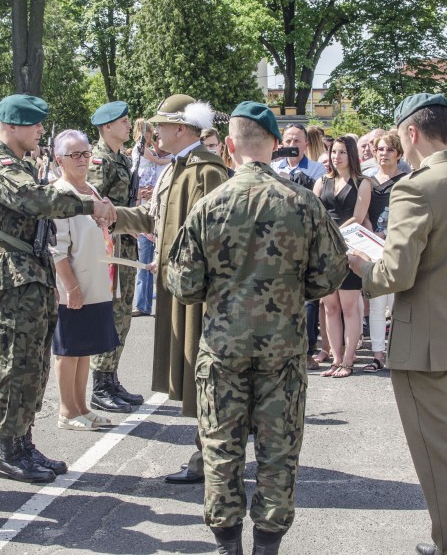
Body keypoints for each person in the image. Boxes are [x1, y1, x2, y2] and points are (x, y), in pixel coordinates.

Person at [167, 101, 348, 555]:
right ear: (273, 146)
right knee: (278, 452)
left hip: (223, 349)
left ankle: (227, 544)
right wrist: (289, 294)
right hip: (282, 349)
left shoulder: (210, 205)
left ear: (230, 147)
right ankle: (268, 545)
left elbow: (185, 286)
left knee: (221, 450)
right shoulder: (303, 203)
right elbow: (330, 274)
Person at [349, 93, 447, 555]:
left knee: (440, 453)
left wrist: (363, 268)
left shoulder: (415, 187)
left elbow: (396, 272)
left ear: (411, 133)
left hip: (425, 339)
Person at [0, 94, 115, 484]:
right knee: (17, 367)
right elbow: (34, 199)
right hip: (16, 277)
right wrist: (87, 204)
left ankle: (24, 442)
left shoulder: (19, 163)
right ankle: (9, 452)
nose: (39, 131)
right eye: (34, 124)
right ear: (12, 126)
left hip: (32, 276)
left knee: (33, 367)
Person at [112, 93, 228, 484]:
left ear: (181, 128)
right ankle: (209, 454)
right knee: (191, 370)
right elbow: (154, 219)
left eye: (161, 124)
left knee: (202, 374)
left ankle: (208, 457)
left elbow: (213, 240)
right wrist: (112, 215)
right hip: (177, 286)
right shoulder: (177, 167)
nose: (155, 131)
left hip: (196, 293)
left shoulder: (206, 171)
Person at [51, 129, 121, 429]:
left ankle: (81, 406)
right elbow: (57, 251)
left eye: (85, 153)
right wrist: (72, 288)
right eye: (74, 155)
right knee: (69, 350)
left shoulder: (90, 190)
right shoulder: (58, 195)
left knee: (84, 349)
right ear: (59, 160)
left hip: (95, 283)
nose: (83, 160)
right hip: (75, 287)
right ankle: (67, 411)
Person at [87, 101, 143, 414]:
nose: (128, 125)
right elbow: (94, 204)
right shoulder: (100, 159)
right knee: (110, 313)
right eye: (123, 121)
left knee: (122, 315)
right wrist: (123, 221)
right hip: (110, 248)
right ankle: (100, 384)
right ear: (107, 126)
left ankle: (111, 378)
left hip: (125, 245)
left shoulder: (120, 158)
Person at [314, 136, 371, 377]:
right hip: (325, 250)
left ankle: (348, 359)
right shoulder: (321, 181)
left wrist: (334, 234)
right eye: (333, 152)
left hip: (349, 248)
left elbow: (358, 217)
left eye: (341, 152)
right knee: (330, 307)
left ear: (351, 156)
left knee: (349, 307)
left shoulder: (363, 183)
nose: (336, 157)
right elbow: (314, 211)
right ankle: (336, 359)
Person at [365, 132, 409, 373]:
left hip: (398, 247)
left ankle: (398, 352)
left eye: (390, 150)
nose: (384, 154)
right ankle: (378, 353)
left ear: (399, 154)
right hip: (374, 248)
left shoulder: (408, 180)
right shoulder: (368, 181)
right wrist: (373, 237)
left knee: (398, 304)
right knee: (376, 305)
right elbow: (364, 215)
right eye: (380, 149)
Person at [132, 121, 163, 317]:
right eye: (151, 135)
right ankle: (142, 304)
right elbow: (158, 161)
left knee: (154, 262)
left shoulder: (151, 150)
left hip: (155, 207)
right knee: (145, 261)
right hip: (144, 206)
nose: (153, 139)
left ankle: (148, 303)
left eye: (155, 136)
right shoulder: (141, 149)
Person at [271, 123, 325, 189]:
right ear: (282, 143)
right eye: (288, 141)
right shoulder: (273, 167)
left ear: (306, 145)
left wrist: (291, 179)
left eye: (296, 141)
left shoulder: (318, 169)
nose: (292, 145)